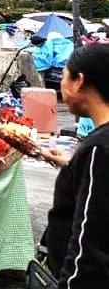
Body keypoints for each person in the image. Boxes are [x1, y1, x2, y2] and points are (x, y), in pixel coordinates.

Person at [39, 43, 109, 287]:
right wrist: (72, 165)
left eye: (64, 76)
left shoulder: (98, 150)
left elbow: (87, 243)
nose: (61, 85)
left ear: (79, 80)